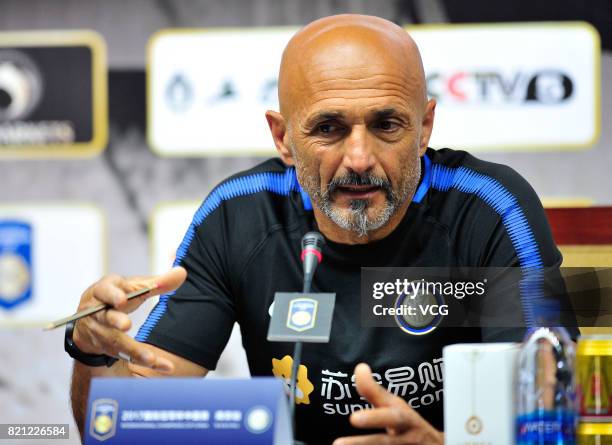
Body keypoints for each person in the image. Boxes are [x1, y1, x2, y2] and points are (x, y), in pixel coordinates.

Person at [68, 14, 572, 445]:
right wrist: (93, 350)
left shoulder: (489, 208)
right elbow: (125, 424)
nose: (358, 159)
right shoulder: (238, 215)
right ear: (283, 138)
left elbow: (549, 415)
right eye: (328, 129)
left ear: (424, 128)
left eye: (386, 125)